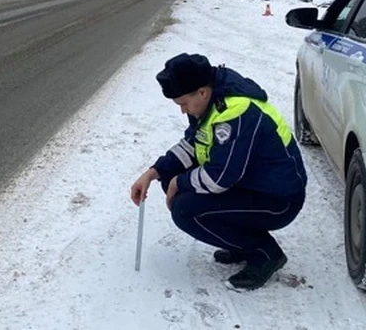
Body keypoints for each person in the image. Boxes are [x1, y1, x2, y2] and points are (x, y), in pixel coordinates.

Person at [129, 53, 307, 291]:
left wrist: (177, 183)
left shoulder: (236, 112)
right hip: (251, 184)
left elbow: (220, 177)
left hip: (279, 199)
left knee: (185, 210)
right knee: (173, 182)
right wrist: (153, 173)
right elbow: (193, 144)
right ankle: (241, 244)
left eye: (183, 103)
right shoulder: (211, 102)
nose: (183, 111)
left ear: (202, 92)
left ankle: (265, 253)